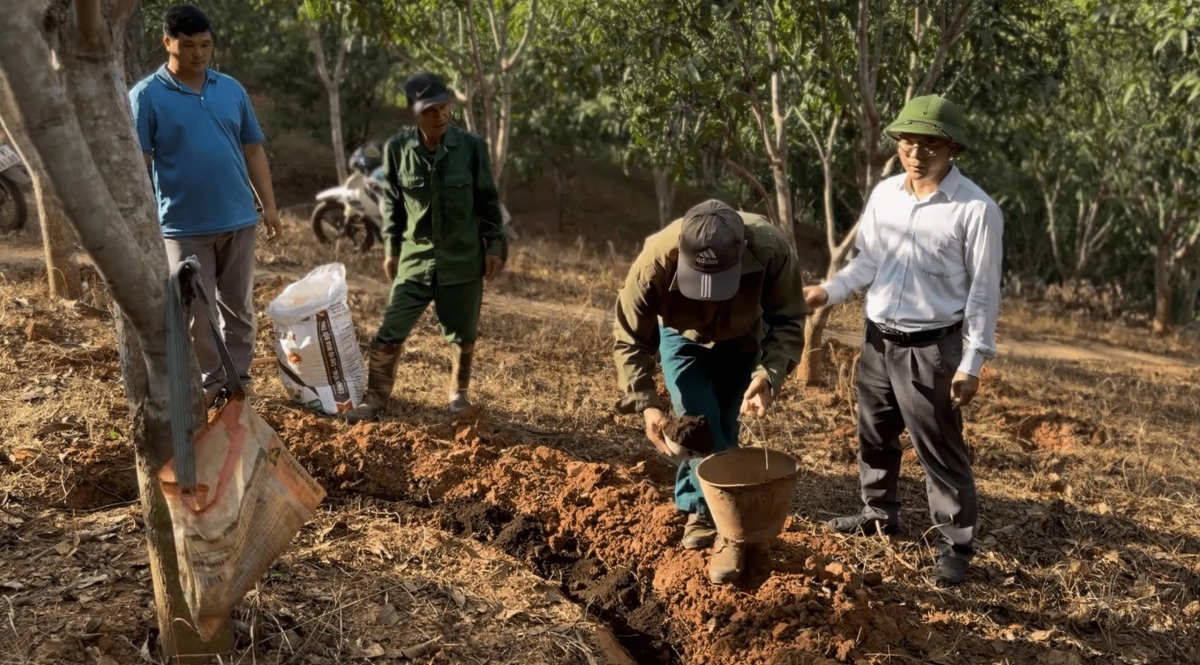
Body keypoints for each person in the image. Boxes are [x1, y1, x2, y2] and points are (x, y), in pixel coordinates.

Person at [804, 95, 1003, 587]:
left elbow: (983, 291)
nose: (916, 153)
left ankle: (954, 544)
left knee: (937, 447)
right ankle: (878, 513)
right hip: (877, 339)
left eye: (929, 144)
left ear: (952, 147)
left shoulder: (976, 210)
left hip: (932, 348)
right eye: (907, 142)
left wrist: (972, 362)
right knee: (873, 432)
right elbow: (870, 261)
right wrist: (829, 291)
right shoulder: (886, 195)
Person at [613, 199, 808, 584]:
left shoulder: (770, 250)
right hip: (681, 337)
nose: (707, 294)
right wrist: (647, 404)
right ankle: (715, 520)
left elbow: (788, 318)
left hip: (743, 337)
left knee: (726, 421)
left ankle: (715, 505)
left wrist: (767, 375)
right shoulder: (656, 260)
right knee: (698, 421)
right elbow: (630, 336)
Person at [130, 3, 281, 407]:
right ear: (167, 43)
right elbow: (138, 163)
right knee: (199, 316)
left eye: (206, 45)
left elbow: (253, 149)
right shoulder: (146, 96)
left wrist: (269, 206)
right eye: (190, 45)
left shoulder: (230, 89)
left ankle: (239, 386)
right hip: (182, 226)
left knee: (239, 309)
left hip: (238, 218)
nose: (199, 54)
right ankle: (212, 389)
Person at [344, 72, 505, 423]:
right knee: (391, 329)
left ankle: (458, 396)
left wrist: (494, 245)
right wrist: (391, 248)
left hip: (463, 259)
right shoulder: (398, 149)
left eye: (445, 107)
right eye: (431, 110)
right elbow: (394, 205)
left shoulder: (471, 147)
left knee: (463, 334)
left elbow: (489, 202)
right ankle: (375, 398)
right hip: (415, 258)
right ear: (415, 113)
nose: (441, 116)